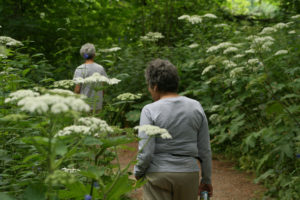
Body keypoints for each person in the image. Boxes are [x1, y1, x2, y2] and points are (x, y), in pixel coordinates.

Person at [134, 59, 213, 200]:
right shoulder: (196, 107)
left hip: (157, 175)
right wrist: (206, 180)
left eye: (149, 87)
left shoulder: (149, 110)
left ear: (155, 86)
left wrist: (138, 172)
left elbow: (146, 151)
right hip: (188, 174)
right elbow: (205, 150)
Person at [73, 43, 107, 110]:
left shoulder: (79, 69)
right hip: (97, 106)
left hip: (83, 106)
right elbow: (102, 89)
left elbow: (77, 90)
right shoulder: (100, 68)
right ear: (94, 54)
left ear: (83, 55)